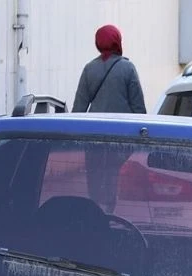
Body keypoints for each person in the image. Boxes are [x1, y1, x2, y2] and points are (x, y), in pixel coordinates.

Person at [73, 26, 146, 213]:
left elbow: (78, 111)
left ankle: (95, 216)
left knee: (95, 180)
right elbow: (139, 109)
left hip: (94, 137)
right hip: (122, 137)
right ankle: (112, 214)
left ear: (98, 43)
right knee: (114, 175)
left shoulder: (89, 69)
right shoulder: (128, 68)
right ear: (118, 41)